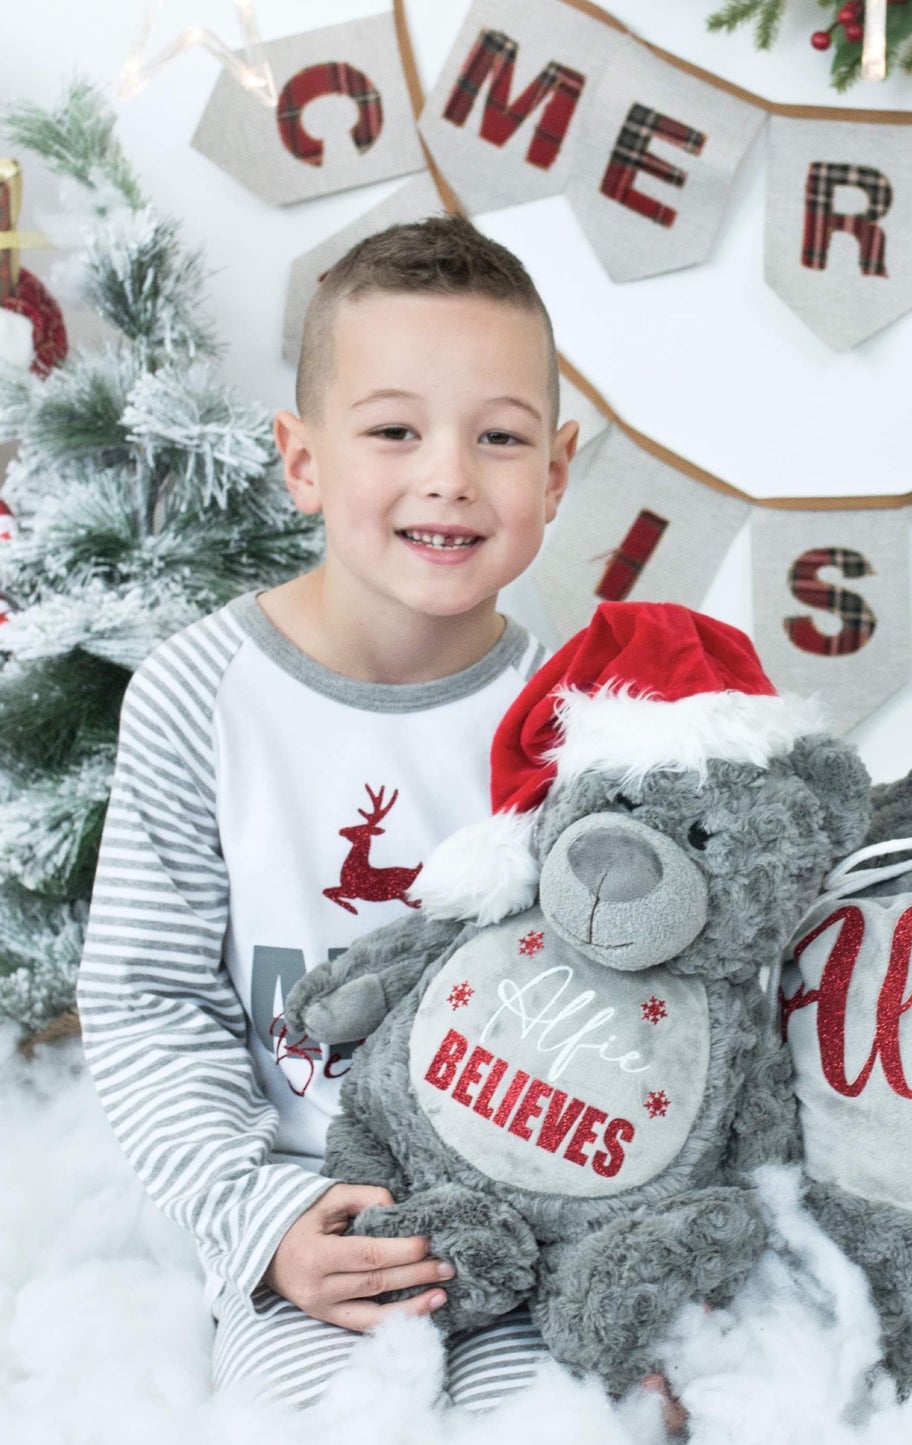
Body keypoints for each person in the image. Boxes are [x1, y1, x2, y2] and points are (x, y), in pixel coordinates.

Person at [76, 215, 576, 1411]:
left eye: (498, 437)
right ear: (301, 460)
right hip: (308, 1220)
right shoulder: (200, 692)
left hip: (531, 1227)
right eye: (394, 430)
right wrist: (263, 1215)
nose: (448, 473)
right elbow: (148, 998)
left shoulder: (574, 712)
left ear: (555, 471)